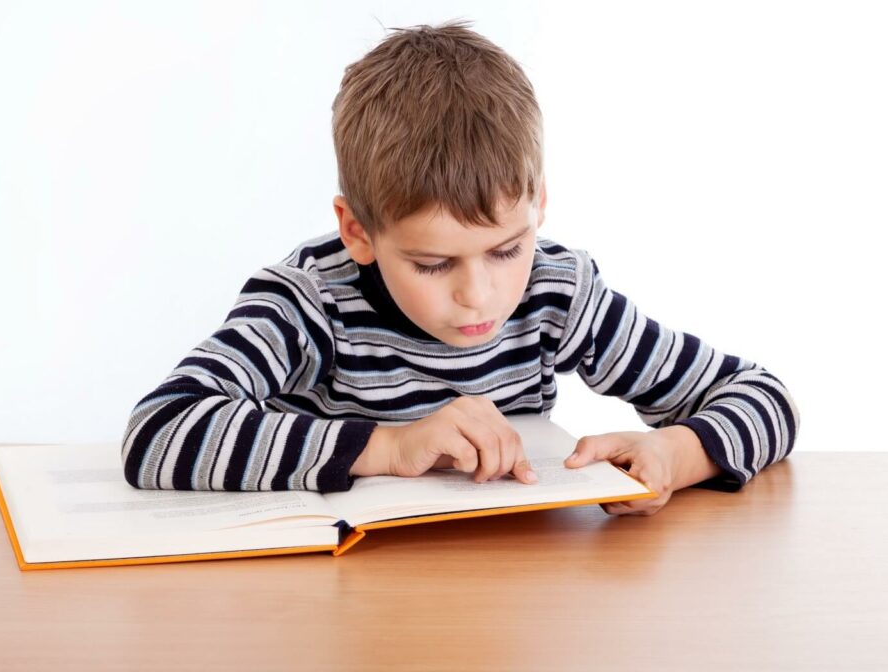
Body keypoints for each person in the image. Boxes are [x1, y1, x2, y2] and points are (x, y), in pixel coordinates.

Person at [120, 20, 800, 516]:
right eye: (433, 263)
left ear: (538, 205)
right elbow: (158, 432)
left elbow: (767, 398)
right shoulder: (308, 303)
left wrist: (677, 456)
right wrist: (388, 447)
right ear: (358, 231)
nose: (481, 295)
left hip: (508, 596)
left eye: (507, 249)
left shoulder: (556, 294)